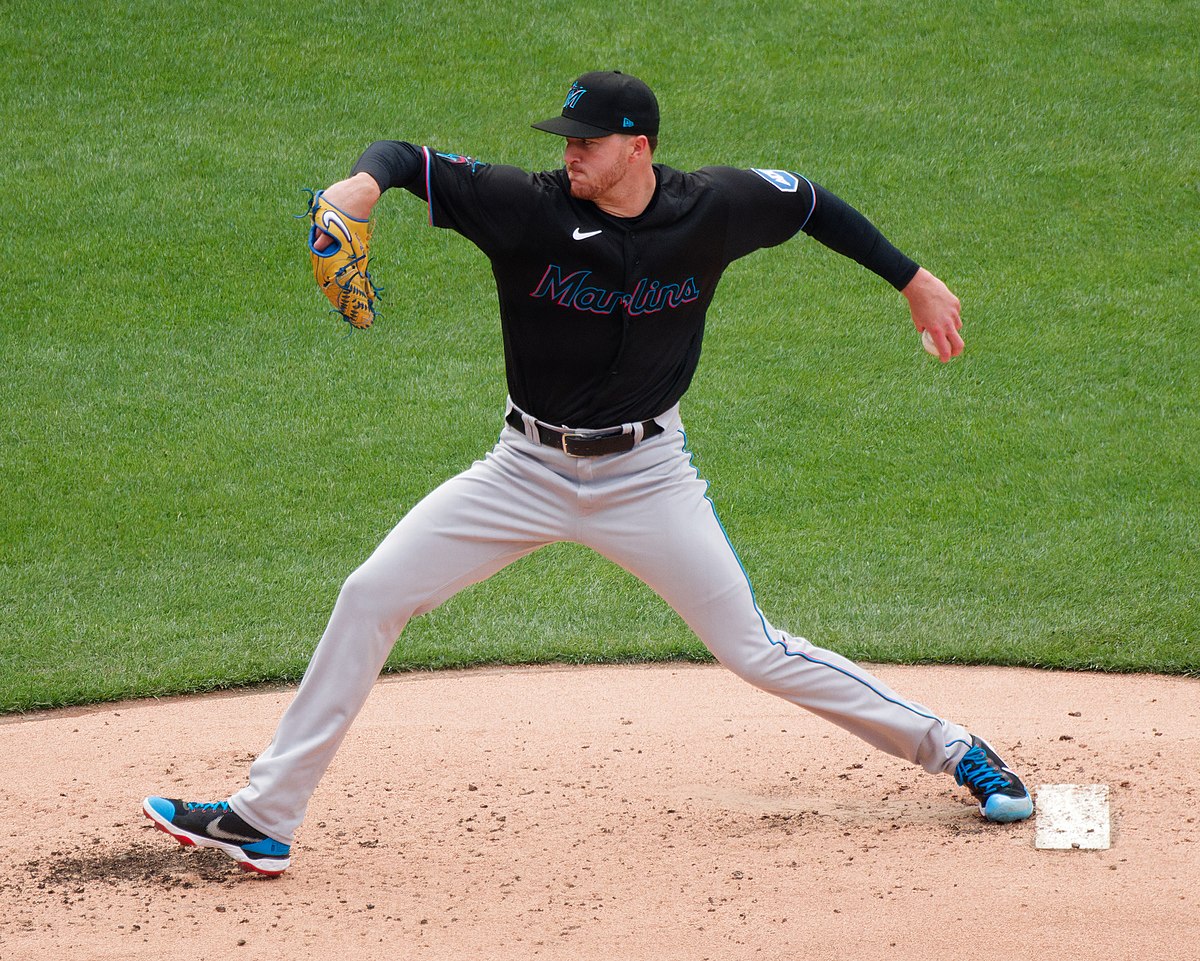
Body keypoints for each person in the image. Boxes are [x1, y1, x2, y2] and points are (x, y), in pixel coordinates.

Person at [143, 70, 1032, 876]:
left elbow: (809, 204)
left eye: (586, 142)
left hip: (649, 476)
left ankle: (956, 750)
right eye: (563, 139)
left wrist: (911, 278)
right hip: (522, 468)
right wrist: (357, 189)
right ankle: (264, 816)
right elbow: (406, 158)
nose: (568, 154)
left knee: (755, 650)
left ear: (637, 147)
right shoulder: (524, 208)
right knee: (371, 592)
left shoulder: (711, 207)